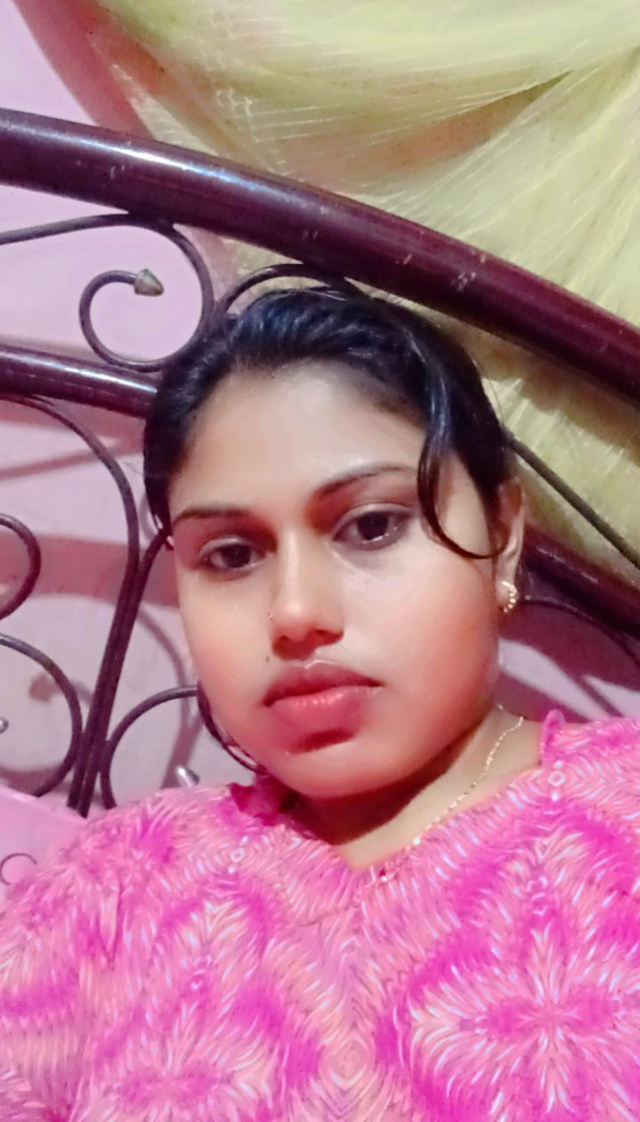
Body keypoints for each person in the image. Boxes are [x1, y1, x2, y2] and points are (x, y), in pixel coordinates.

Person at [0, 283, 639, 1122]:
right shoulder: (115, 888)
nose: (296, 612)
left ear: (503, 535)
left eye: (370, 527)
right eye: (232, 555)